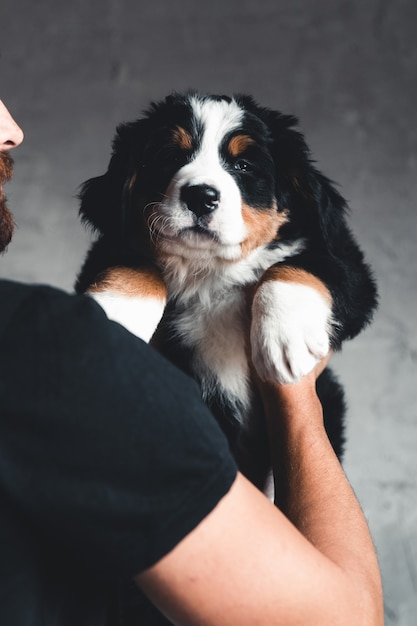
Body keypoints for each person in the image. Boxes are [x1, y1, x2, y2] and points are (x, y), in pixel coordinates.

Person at [0, 98, 383, 626]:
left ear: (291, 199)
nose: (12, 129)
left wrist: (292, 296)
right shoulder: (47, 338)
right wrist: (128, 292)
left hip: (260, 524)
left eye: (243, 166)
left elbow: (350, 284)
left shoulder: (296, 254)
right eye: (171, 160)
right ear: (133, 188)